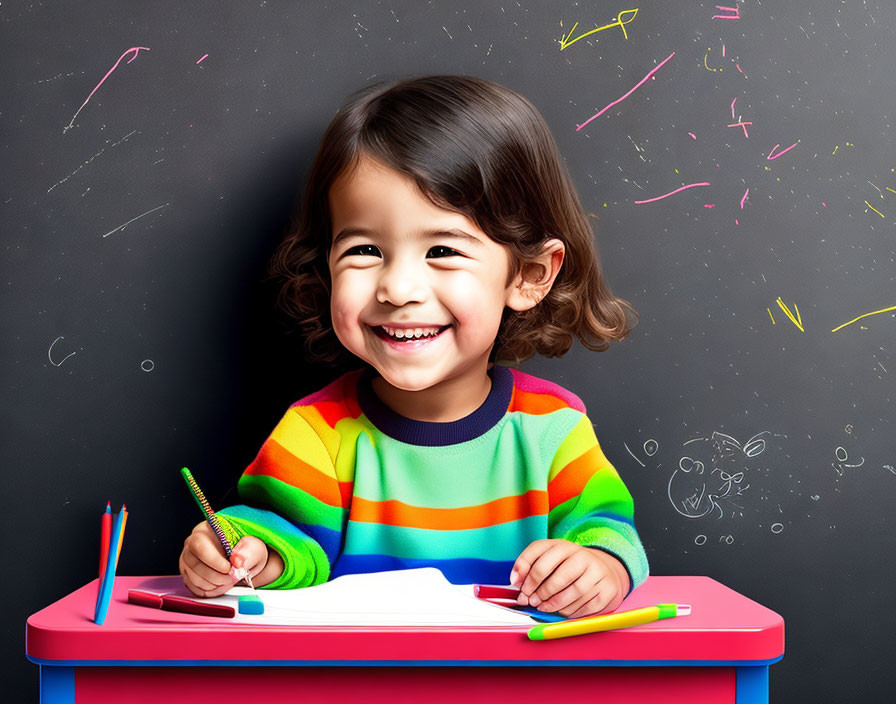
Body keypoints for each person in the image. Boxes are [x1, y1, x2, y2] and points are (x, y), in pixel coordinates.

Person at [179, 75, 648, 618]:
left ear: (529, 275)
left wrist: (597, 568)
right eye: (364, 249)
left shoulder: (552, 429)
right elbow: (282, 542)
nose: (398, 289)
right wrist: (242, 555)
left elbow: (608, 534)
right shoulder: (318, 433)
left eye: (443, 249)